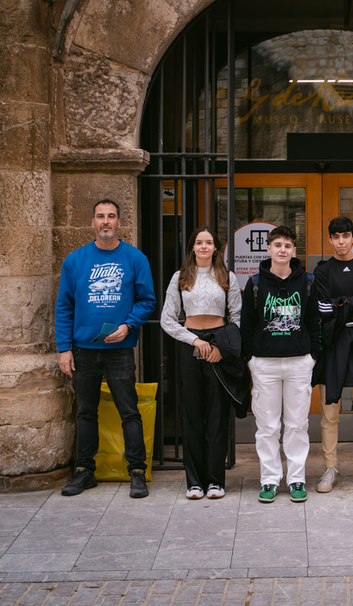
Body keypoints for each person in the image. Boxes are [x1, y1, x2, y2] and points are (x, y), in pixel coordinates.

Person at [56, 199, 156, 499]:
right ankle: (85, 471)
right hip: (83, 350)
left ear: (119, 223)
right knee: (86, 412)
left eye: (111, 216)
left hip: (120, 349)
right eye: (100, 216)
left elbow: (147, 300)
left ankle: (137, 472)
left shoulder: (135, 258)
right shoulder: (74, 261)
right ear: (92, 223)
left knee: (129, 411)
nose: (106, 222)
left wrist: (128, 325)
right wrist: (64, 348)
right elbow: (64, 307)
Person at [160, 227, 243, 500]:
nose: (204, 246)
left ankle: (215, 481)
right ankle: (194, 482)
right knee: (193, 414)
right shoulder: (181, 277)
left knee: (217, 414)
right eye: (199, 242)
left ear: (216, 248)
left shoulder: (226, 276)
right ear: (192, 247)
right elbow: (168, 319)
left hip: (219, 345)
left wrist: (221, 346)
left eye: (209, 242)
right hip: (190, 344)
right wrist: (194, 341)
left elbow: (238, 317)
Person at [240, 226, 320, 504]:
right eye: (278, 245)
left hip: (299, 363)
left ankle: (296, 478)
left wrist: (313, 356)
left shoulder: (308, 282)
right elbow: (247, 325)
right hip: (264, 364)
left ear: (293, 251)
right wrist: (251, 359)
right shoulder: (255, 284)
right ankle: (270, 480)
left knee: (298, 424)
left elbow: (315, 322)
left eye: (287, 245)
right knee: (268, 427)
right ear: (269, 249)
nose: (283, 249)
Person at [312, 217, 353, 493]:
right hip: (332, 348)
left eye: (346, 236)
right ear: (330, 239)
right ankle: (330, 468)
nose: (341, 241)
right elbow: (322, 309)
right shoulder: (323, 270)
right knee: (330, 413)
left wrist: (341, 307)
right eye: (336, 236)